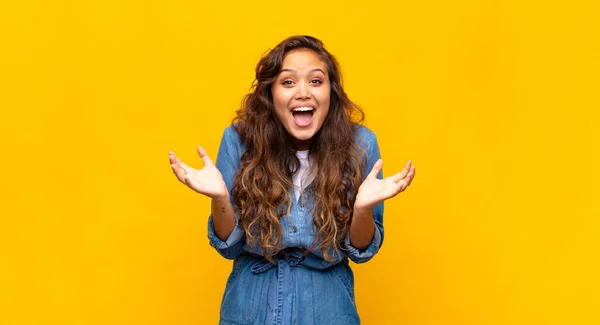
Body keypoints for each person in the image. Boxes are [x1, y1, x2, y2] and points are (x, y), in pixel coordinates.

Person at [169, 35, 416, 325]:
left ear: (331, 92)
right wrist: (220, 198)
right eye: (288, 82)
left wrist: (361, 209)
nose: (303, 93)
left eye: (315, 81)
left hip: (328, 307)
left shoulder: (360, 145)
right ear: (270, 94)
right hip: (251, 305)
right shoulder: (238, 140)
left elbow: (361, 252)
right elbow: (230, 247)